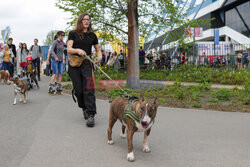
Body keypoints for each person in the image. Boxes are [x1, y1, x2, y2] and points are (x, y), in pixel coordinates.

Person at [67, 13, 102, 127]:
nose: (87, 21)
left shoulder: (92, 35)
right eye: (84, 19)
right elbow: (69, 49)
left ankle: (91, 114)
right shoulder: (73, 34)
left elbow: (98, 49)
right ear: (80, 21)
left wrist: (100, 56)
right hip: (74, 63)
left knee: (89, 88)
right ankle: (84, 108)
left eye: (88, 19)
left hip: (87, 62)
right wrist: (78, 50)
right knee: (79, 90)